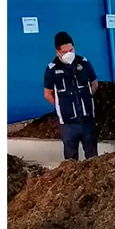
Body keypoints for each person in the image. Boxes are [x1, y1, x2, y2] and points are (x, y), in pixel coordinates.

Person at [43, 31, 98, 160]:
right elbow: (47, 94)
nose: (69, 54)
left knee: (93, 159)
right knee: (71, 161)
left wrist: (87, 97)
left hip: (87, 120)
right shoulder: (52, 69)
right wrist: (61, 106)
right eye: (65, 51)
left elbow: (94, 83)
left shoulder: (83, 63)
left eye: (71, 50)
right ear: (58, 52)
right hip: (68, 124)